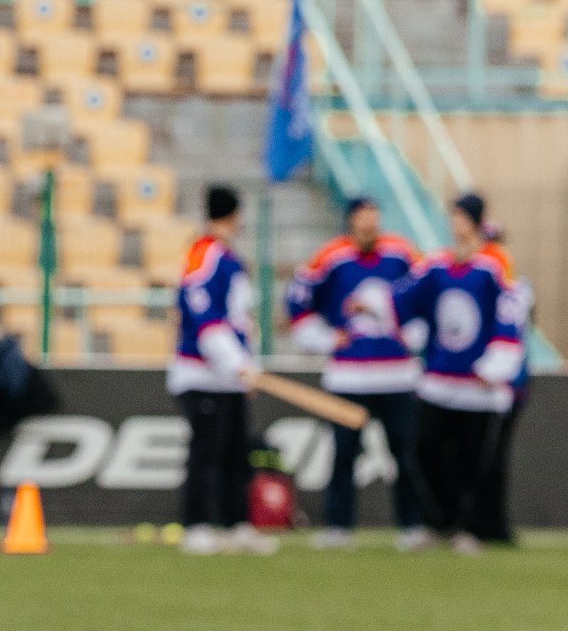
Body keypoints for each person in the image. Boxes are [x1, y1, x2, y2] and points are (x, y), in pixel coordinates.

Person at [284, 197, 425, 550]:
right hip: (349, 376)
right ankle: (339, 526)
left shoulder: (403, 255)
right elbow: (297, 305)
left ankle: (413, 525)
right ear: (350, 225)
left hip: (397, 376)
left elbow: (428, 300)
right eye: (363, 224)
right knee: (344, 453)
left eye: (373, 223)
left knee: (405, 454)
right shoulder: (330, 257)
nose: (369, 231)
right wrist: (328, 339)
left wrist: (412, 336)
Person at [393, 194, 525, 554]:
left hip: (478, 386)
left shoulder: (495, 264)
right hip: (439, 378)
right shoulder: (436, 263)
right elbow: (404, 299)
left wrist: (497, 364)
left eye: (461, 216)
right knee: (426, 448)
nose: (455, 223)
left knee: (473, 459)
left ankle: (470, 527)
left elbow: (511, 315)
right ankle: (440, 520)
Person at [171, 184, 274, 555]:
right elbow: (206, 320)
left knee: (235, 453)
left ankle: (236, 524)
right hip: (201, 375)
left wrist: (247, 368)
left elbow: (240, 322)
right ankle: (196, 525)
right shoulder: (205, 257)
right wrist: (237, 365)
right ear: (234, 215)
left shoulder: (230, 259)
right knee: (205, 452)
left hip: (230, 379)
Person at [473, 221, 535, 545]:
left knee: (492, 457)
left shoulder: (511, 285)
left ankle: (490, 523)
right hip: (479, 384)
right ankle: (480, 522)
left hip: (504, 385)